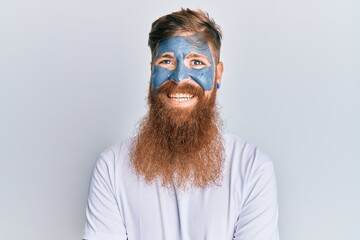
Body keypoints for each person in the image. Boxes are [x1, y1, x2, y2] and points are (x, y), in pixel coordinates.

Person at [82, 8, 279, 240]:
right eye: (166, 61)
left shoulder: (252, 168)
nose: (178, 78)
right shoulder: (111, 167)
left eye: (196, 62)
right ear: (151, 71)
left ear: (218, 74)